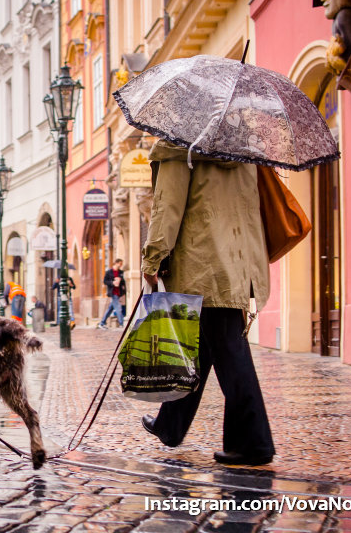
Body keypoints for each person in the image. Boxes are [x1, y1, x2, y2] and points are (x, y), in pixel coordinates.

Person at [139, 140, 273, 466]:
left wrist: (152, 259)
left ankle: (253, 443)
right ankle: (170, 425)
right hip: (237, 262)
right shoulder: (241, 149)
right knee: (201, 349)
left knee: (229, 351)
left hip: (200, 263)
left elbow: (166, 208)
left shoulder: (178, 147)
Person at [97, 259, 127, 329]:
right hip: (113, 292)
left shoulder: (121, 272)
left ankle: (102, 323)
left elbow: (123, 282)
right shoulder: (109, 272)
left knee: (110, 308)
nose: (120, 265)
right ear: (116, 263)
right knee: (118, 308)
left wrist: (120, 280)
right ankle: (121, 324)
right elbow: (105, 281)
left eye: (121, 264)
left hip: (119, 292)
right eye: (120, 263)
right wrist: (112, 282)